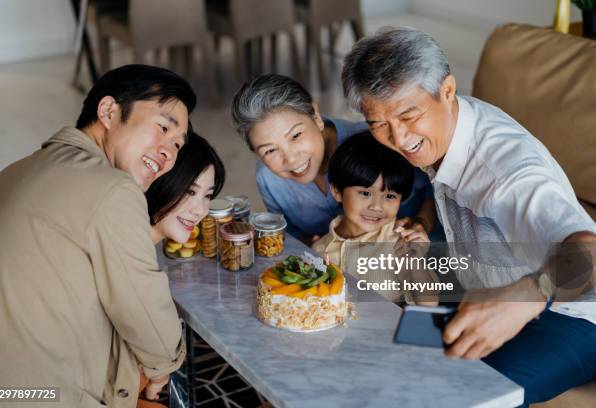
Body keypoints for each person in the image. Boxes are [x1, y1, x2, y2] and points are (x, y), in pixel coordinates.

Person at [341, 26, 596, 405]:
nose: (397, 137)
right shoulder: (447, 126)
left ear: (447, 90)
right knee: (372, 363)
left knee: (460, 397)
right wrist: (424, 222)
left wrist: (528, 295)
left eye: (408, 115)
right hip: (481, 286)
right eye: (379, 124)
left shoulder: (506, 171)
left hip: (573, 313)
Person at [0, 64, 196, 408]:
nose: (168, 153)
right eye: (162, 128)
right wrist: (164, 369)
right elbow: (147, 317)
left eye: (176, 144)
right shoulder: (113, 188)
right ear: (109, 111)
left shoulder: (15, 171)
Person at [231, 74, 442, 245]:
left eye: (296, 136)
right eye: (269, 151)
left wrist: (421, 223)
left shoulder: (375, 139)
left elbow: (433, 189)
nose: (291, 158)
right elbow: (287, 231)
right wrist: (312, 246)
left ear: (315, 115)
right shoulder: (268, 179)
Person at [141, 132, 225, 406]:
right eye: (190, 191)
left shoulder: (139, 241)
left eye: (207, 195)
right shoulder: (129, 250)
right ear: (161, 180)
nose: (200, 209)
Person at [312, 131, 434, 304]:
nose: (376, 206)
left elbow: (428, 303)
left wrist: (415, 262)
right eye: (365, 193)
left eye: (390, 196)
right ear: (337, 191)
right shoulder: (319, 249)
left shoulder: (400, 242)